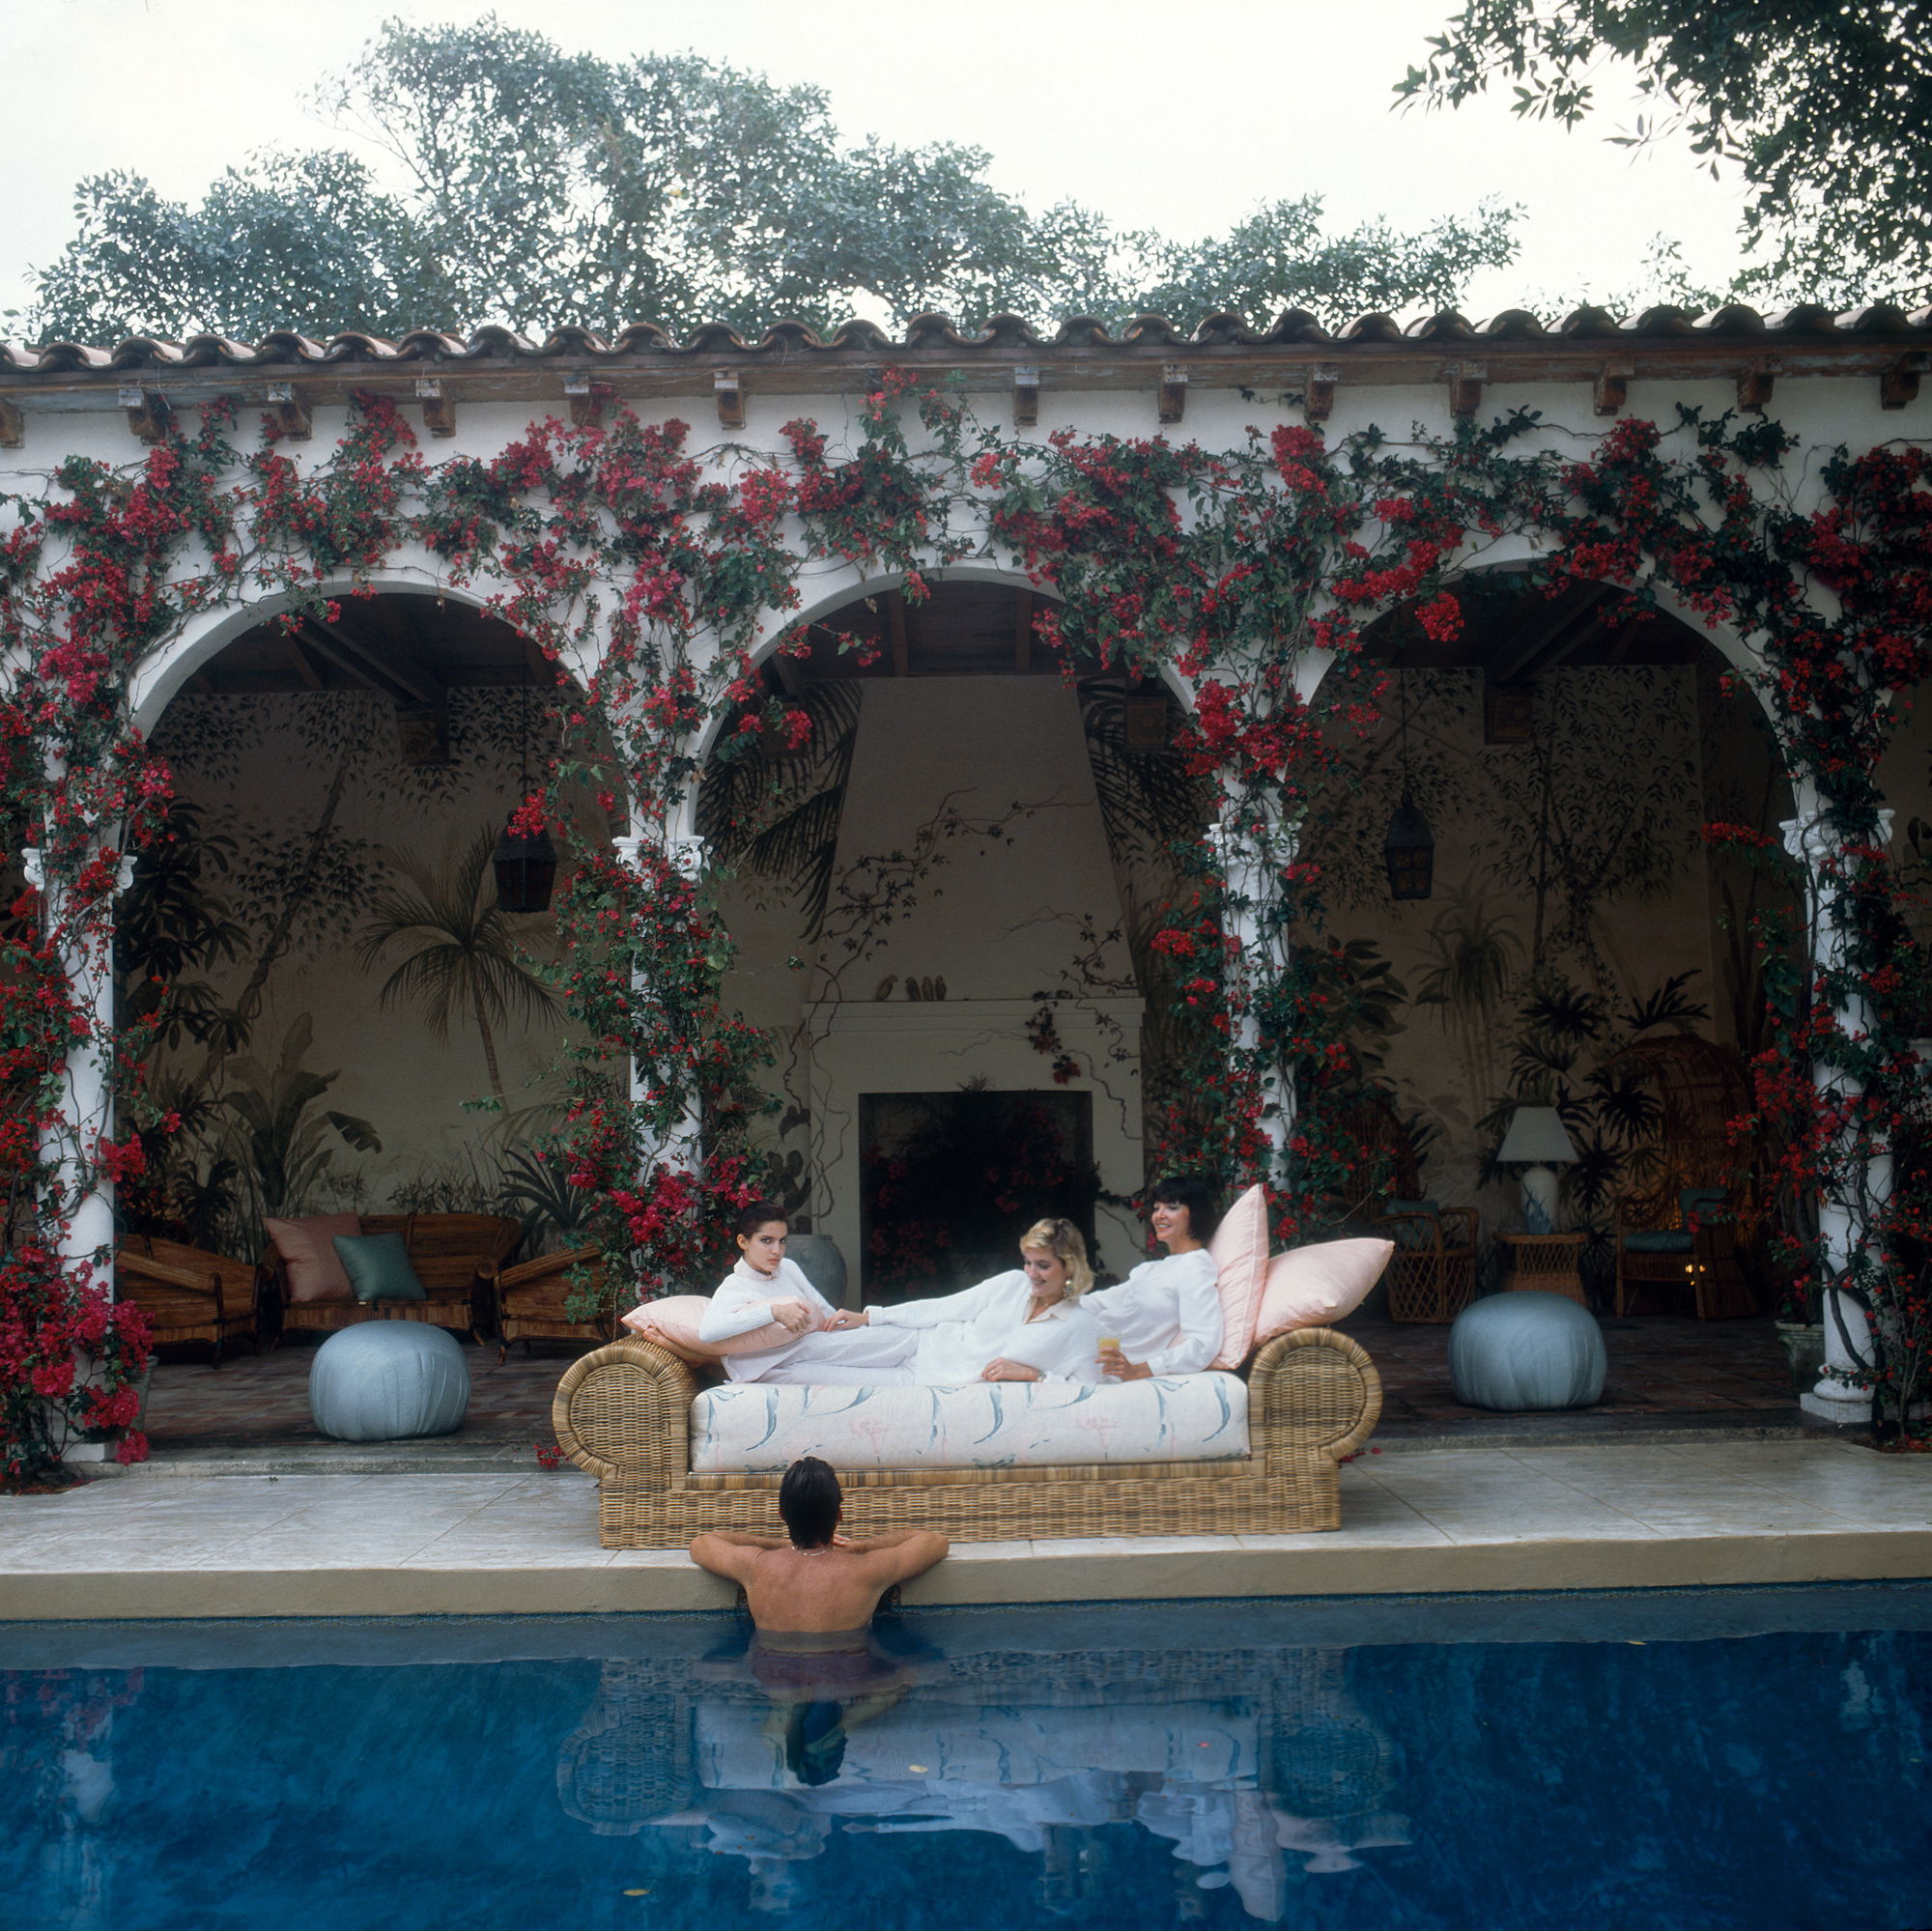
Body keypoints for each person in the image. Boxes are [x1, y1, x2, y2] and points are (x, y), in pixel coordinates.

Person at [689, 1454, 949, 1638]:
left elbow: (701, 1544)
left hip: (776, 1673)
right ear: (839, 1515)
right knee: (900, 1683)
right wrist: (859, 1547)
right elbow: (935, 1542)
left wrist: (777, 1545)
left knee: (784, 1695)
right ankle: (848, 1719)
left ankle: (785, 1712)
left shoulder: (755, 1565)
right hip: (846, 1672)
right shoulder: (869, 1569)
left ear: (782, 1514)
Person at [822, 1217, 1102, 1385]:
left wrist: (1034, 1375)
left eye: (1043, 1265)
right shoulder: (1013, 1283)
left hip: (922, 1379)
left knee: (794, 1374)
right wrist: (871, 1317)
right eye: (1028, 1262)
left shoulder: (1081, 1324)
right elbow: (947, 1306)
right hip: (918, 1342)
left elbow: (1089, 1389)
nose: (1031, 1273)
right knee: (814, 1347)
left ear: (1069, 1266)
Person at [699, 1202, 919, 1385]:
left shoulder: (788, 1267)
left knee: (901, 1339)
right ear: (743, 1241)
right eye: (766, 1240)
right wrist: (773, 1311)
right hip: (779, 1365)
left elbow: (823, 1309)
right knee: (903, 1343)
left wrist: (849, 1326)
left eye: (782, 1241)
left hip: (816, 1347)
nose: (777, 1250)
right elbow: (708, 1332)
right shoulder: (736, 1285)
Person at [1083, 1176, 1224, 1380]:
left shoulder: (1195, 1267)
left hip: (1100, 1362)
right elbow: (1096, 1303)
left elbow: (1203, 1344)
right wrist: (1061, 1296)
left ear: (1195, 1214)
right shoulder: (1150, 1270)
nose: (1159, 1216)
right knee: (1021, 1283)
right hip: (1083, 1339)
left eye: (1172, 1207)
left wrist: (1140, 1370)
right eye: (1156, 1208)